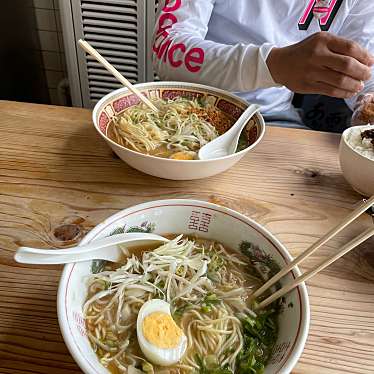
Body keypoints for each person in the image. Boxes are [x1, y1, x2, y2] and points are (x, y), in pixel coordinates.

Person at [151, 0, 374, 129]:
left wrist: (368, 101)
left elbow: (363, 71)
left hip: (274, 118)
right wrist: (273, 65)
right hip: (188, 107)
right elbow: (168, 45)